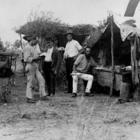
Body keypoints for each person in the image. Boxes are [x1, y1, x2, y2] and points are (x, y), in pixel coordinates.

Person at [23, 36, 48, 103]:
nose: (36, 42)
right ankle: (29, 98)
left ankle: (43, 95)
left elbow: (36, 56)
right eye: (35, 41)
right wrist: (37, 59)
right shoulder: (27, 48)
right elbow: (26, 59)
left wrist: (40, 56)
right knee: (30, 82)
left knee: (41, 80)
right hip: (30, 65)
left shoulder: (33, 47)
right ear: (31, 40)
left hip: (35, 66)